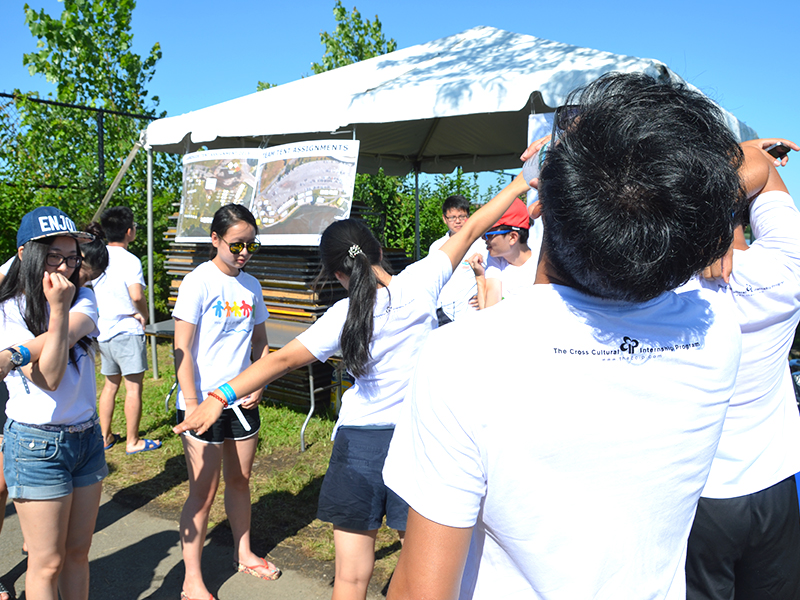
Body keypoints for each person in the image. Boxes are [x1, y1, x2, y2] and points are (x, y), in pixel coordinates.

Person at [381, 72, 747, 600]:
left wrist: (546, 165)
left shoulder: (466, 358)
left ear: (544, 206)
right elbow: (748, 168)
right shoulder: (715, 334)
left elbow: (421, 590)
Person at [173, 173, 529, 600]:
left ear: (337, 274)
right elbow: (474, 226)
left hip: (357, 447)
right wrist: (521, 183)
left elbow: (281, 360)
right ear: (378, 249)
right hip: (416, 445)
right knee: (421, 576)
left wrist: (218, 396)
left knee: (350, 580)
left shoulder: (342, 315)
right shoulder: (420, 282)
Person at [684, 138, 800, 600]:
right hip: (775, 486)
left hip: (702, 493)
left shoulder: (672, 288)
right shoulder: (788, 267)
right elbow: (763, 172)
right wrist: (746, 148)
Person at [0, 206, 107, 600]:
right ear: (27, 255)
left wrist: (13, 354)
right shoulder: (7, 308)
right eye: (53, 256)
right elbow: (48, 378)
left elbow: (55, 358)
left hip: (86, 439)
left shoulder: (85, 298)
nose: (64, 267)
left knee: (78, 554)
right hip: (36, 447)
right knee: (46, 562)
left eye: (71, 257)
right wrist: (56, 313)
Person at [172, 204, 277, 600]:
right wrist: (194, 402)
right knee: (203, 492)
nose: (244, 252)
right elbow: (181, 348)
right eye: (236, 245)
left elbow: (262, 344)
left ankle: (244, 552)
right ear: (215, 240)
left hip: (242, 403)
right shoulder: (197, 282)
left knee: (240, 480)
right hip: (203, 403)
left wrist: (260, 382)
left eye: (251, 245)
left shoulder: (251, 285)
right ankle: (192, 580)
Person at [91, 206, 160, 454]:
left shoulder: (97, 256)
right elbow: (136, 294)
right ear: (129, 231)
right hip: (127, 331)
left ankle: (105, 437)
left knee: (110, 386)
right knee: (133, 387)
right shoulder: (130, 260)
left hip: (104, 330)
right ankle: (133, 441)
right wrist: (144, 313)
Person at [467, 198, 538, 308]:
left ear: (512, 237)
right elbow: (489, 311)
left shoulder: (541, 265)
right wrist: (480, 276)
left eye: (489, 233)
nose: (483, 238)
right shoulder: (495, 259)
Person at [428, 195, 486, 326]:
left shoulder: (481, 244)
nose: (458, 221)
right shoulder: (436, 247)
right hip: (443, 312)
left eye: (462, 216)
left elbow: (491, 272)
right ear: (444, 219)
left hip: (469, 313)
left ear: (468, 217)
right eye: (452, 217)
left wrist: (484, 294)